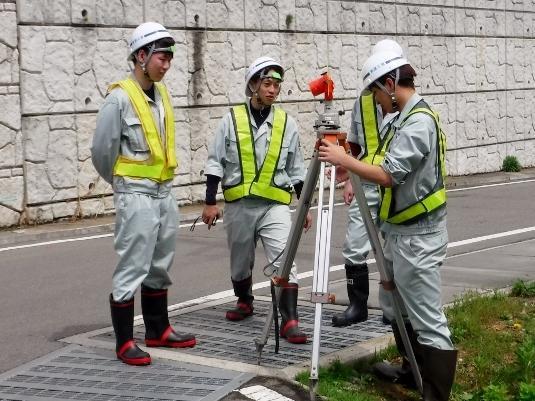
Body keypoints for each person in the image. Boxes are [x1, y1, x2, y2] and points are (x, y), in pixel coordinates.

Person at [318, 51, 457, 400]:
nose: (376, 100)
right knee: (397, 306)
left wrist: (343, 159)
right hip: (398, 231)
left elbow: (388, 174)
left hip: (419, 236)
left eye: (377, 92)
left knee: (426, 317)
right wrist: (350, 167)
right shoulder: (401, 117)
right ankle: (412, 370)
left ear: (391, 84)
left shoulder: (419, 122)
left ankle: (436, 393)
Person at [91, 22, 196, 366]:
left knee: (160, 263)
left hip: (164, 192)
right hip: (135, 194)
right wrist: (123, 184)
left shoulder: (161, 94)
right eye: (162, 58)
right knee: (133, 264)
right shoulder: (118, 98)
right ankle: (124, 341)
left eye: (169, 58)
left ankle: (158, 329)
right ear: (141, 55)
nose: (167, 65)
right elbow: (102, 153)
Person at [202, 56, 312, 344]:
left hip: (274, 205)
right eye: (267, 83)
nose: (273, 90)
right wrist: (210, 201)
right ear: (253, 85)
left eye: (276, 85)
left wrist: (304, 208)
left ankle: (289, 320)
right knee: (241, 260)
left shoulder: (287, 123)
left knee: (284, 259)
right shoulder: (231, 119)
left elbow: (297, 170)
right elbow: (215, 162)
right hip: (239, 205)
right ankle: (244, 300)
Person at [332, 39, 404, 328]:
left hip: (397, 183)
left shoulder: (407, 104)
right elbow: (355, 143)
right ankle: (357, 305)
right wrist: (349, 178)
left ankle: (392, 309)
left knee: (394, 251)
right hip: (367, 182)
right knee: (354, 246)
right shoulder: (362, 101)